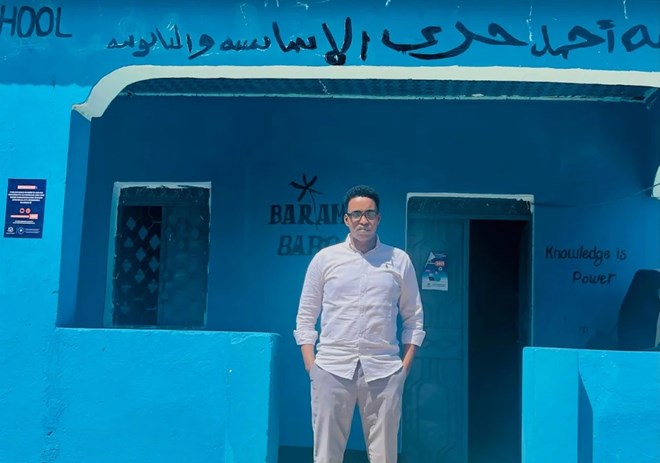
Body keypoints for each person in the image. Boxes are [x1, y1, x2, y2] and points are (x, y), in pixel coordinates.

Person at [294, 185, 425, 463]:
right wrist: (312, 366)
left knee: (384, 455)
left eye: (369, 214)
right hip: (331, 368)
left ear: (378, 218)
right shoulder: (325, 259)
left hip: (384, 371)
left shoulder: (398, 260)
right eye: (356, 214)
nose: (363, 220)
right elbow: (306, 315)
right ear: (346, 219)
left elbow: (414, 318)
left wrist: (402, 370)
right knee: (326, 455)